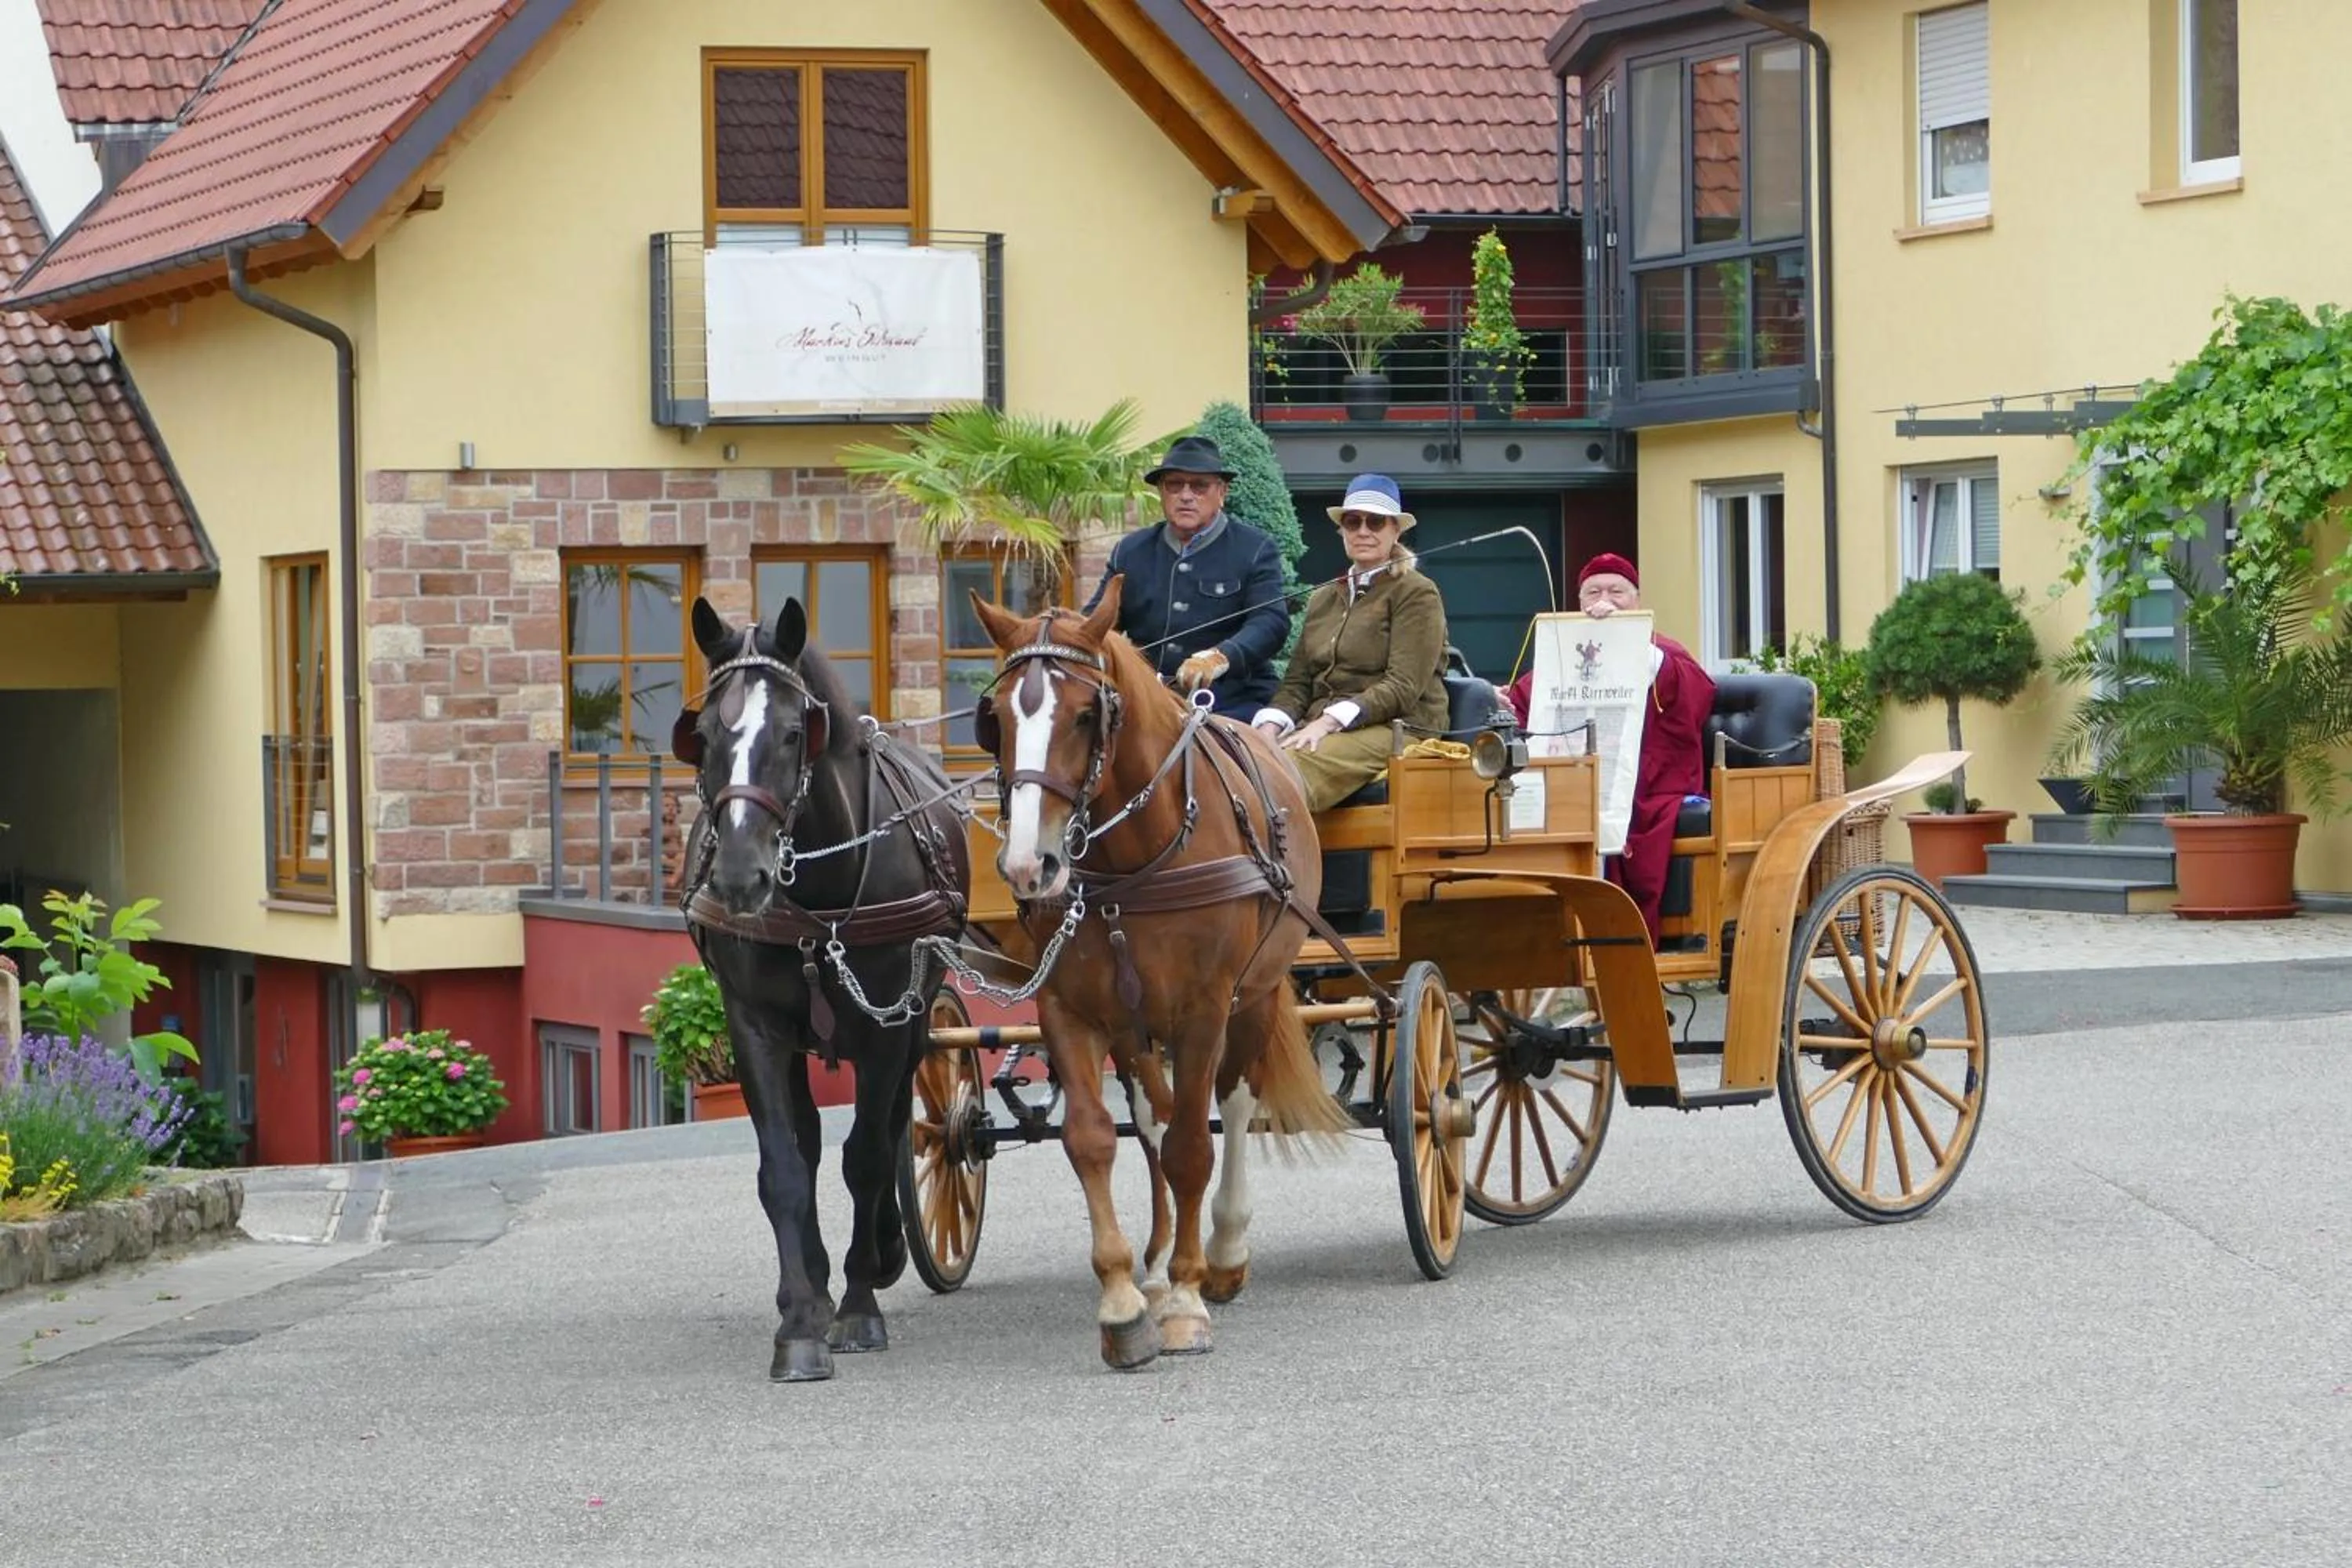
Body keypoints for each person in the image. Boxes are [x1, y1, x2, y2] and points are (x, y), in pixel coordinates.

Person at [1505, 553, 1715, 948]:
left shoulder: (1663, 651)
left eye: (1617, 591)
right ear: (1580, 602)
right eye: (1594, 591)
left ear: (1637, 601)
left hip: (1648, 784)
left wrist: (1630, 643)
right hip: (1575, 780)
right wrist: (1505, 704)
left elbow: (1693, 697)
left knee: (1636, 823)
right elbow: (1527, 703)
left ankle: (1626, 944)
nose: (1605, 600)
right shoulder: (1565, 650)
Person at [1254, 475, 1448, 811]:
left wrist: (1327, 722)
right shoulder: (1324, 596)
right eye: (1353, 521)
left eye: (1375, 522)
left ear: (1395, 531)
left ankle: (1282, 861)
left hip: (1398, 727)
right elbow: (1298, 682)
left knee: (1287, 769)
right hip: (1327, 727)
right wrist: (1268, 729)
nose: (1363, 530)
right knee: (1244, 759)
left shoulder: (1416, 592)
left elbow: (1403, 687)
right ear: (1342, 530)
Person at [1084, 434, 1290, 717]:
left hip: (1232, 702)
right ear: (1161, 492)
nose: (1186, 495)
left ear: (1222, 493)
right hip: (1147, 703)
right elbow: (1095, 624)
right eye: (1174, 484)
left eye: (1199, 486)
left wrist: (1220, 657)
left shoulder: (1255, 548)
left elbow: (1271, 622)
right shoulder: (1131, 551)